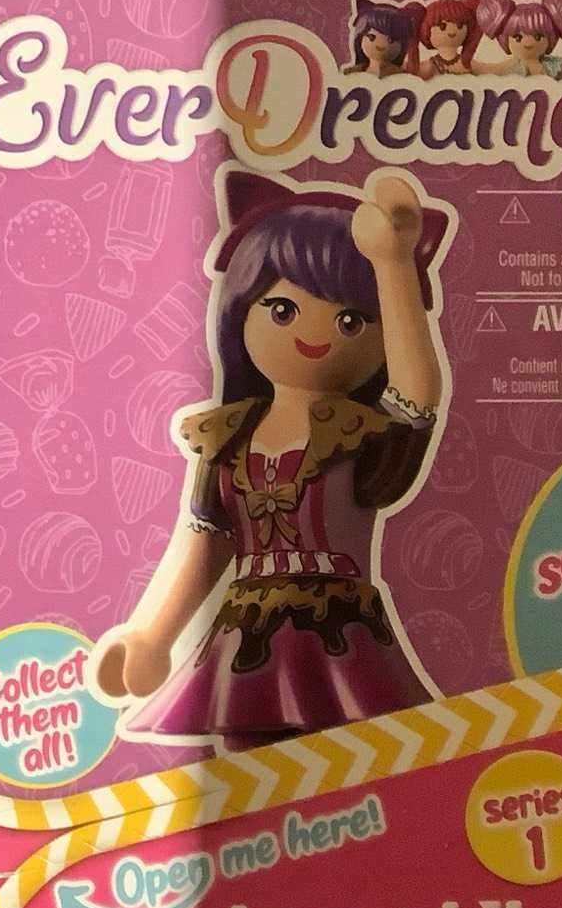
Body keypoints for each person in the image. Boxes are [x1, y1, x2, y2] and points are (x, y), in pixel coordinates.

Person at [96, 170, 451, 753]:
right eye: (282, 309)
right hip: (244, 641)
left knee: (353, 760)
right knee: (250, 771)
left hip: (339, 636)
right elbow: (206, 542)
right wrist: (152, 636)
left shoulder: (357, 432)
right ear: (240, 309)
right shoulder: (228, 437)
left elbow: (416, 398)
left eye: (350, 321)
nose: (315, 334)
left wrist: (392, 264)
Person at [475, 0, 562, 79]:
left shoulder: (557, 66)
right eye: (518, 37)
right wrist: (470, 63)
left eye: (538, 37)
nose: (528, 43)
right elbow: (489, 69)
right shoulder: (510, 67)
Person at [342, 0, 423, 78]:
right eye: (372, 37)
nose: (381, 43)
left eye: (391, 40)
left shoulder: (405, 77)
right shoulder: (351, 75)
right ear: (359, 38)